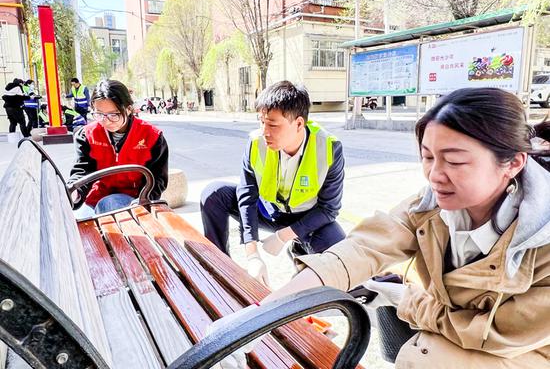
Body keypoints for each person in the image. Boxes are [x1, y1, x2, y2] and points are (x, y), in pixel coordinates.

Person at [211, 88, 550, 369]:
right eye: (428, 157)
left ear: (513, 163)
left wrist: (408, 299)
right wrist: (257, 319)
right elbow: (359, 250)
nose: (434, 175)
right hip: (448, 340)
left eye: (456, 161)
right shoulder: (429, 204)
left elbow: (496, 333)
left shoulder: (542, 235)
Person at [200, 81, 346, 287]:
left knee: (340, 255)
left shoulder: (329, 148)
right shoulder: (256, 142)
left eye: (273, 125)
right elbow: (247, 195)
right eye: (262, 122)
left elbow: (329, 209)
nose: (265, 131)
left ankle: (300, 249)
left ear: (298, 124)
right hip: (269, 211)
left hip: (307, 218)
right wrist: (253, 255)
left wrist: (284, 236)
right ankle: (218, 267)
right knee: (214, 193)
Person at [68, 79, 169, 218]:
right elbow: (82, 170)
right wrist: (75, 192)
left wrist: (143, 199)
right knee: (75, 223)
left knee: (110, 203)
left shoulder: (152, 136)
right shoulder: (86, 135)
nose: (106, 121)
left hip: (134, 199)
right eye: (99, 114)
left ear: (128, 109)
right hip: (96, 197)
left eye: (114, 114)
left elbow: (158, 179)